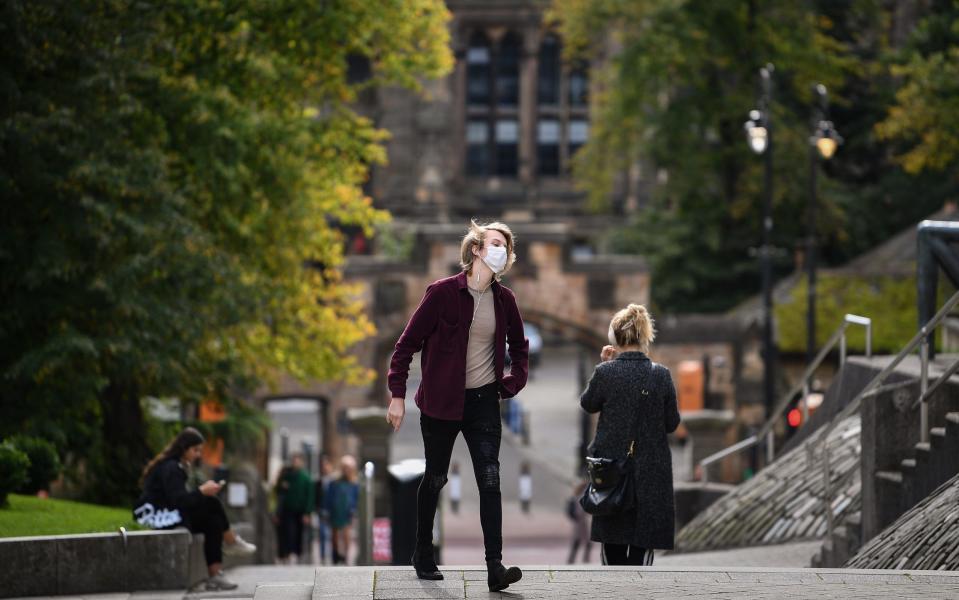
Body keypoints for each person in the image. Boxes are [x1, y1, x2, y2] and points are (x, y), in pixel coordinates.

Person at [386, 220, 529, 592]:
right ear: (477, 249)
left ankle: (494, 566)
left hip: (484, 401)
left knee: (490, 479)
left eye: (507, 248)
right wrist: (397, 394)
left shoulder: (505, 300)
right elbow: (406, 346)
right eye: (496, 244)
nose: (502, 251)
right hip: (440, 402)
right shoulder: (442, 294)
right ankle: (422, 552)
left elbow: (520, 347)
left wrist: (513, 383)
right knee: (435, 477)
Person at [580, 304, 680, 566]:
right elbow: (672, 423)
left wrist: (604, 366)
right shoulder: (661, 375)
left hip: (612, 474)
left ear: (615, 338)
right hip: (650, 474)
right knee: (641, 551)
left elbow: (588, 404)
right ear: (645, 337)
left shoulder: (606, 373)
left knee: (612, 549)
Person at [134, 427, 256, 591]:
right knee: (211, 503)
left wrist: (202, 493)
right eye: (195, 450)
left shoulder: (176, 466)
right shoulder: (171, 468)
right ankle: (230, 541)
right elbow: (178, 501)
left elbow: (179, 501)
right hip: (158, 517)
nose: (198, 454)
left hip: (170, 514)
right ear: (184, 448)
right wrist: (201, 491)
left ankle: (215, 575)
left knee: (212, 520)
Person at [274, 453, 314, 565]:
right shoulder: (286, 475)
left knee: (299, 533)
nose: (295, 463)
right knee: (288, 531)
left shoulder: (306, 478)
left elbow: (310, 496)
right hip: (287, 509)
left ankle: (298, 553)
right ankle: (288, 553)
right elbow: (278, 491)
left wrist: (307, 512)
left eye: (298, 461)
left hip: (300, 511)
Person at [325, 454, 359, 565]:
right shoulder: (334, 482)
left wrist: (354, 509)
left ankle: (345, 556)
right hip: (335, 510)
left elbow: (356, 498)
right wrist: (326, 509)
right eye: (344, 467)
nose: (346, 470)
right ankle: (335, 555)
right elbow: (329, 496)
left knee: (346, 534)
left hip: (347, 511)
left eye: (348, 468)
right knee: (334, 535)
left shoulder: (354, 483)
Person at [566, 480, 592, 564]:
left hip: (581, 521)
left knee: (580, 541)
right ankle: (580, 559)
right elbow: (579, 511)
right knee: (579, 541)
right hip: (579, 521)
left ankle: (578, 559)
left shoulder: (576, 497)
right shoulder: (578, 498)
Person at [315, 455, 334, 564]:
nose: (325, 468)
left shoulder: (334, 482)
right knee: (322, 534)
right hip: (321, 512)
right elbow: (315, 497)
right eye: (323, 466)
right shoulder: (318, 482)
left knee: (332, 536)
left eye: (327, 466)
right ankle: (322, 557)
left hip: (332, 512)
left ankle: (333, 556)